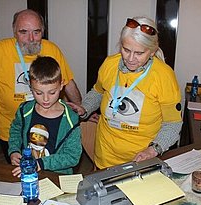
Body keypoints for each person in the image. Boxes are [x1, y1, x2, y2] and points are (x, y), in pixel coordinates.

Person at [0, 9, 82, 163]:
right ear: (14, 31)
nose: (31, 39)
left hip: (49, 128)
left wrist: (80, 109)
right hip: (14, 132)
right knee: (20, 175)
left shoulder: (51, 49)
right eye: (23, 32)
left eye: (36, 32)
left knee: (49, 169)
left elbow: (68, 82)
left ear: (43, 31)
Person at [69, 16, 182, 169]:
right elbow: (97, 92)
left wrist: (153, 150)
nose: (130, 59)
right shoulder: (110, 64)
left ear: (152, 51)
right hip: (105, 157)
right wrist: (85, 108)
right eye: (126, 50)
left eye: (139, 53)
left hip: (140, 161)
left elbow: (173, 124)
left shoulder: (164, 76)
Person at [9, 56, 82, 175]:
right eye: (38, 93)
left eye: (52, 92)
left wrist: (41, 163)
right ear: (31, 87)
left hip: (57, 176)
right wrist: (14, 150)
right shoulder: (25, 110)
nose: (46, 99)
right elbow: (15, 131)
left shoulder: (71, 120)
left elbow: (72, 156)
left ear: (61, 85)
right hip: (28, 172)